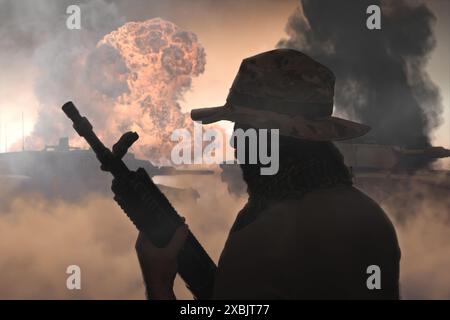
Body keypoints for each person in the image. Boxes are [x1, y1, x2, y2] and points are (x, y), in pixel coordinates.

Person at [133, 49, 401, 299]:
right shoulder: (370, 215)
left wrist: (158, 282)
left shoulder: (263, 232)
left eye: (242, 131)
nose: (235, 143)